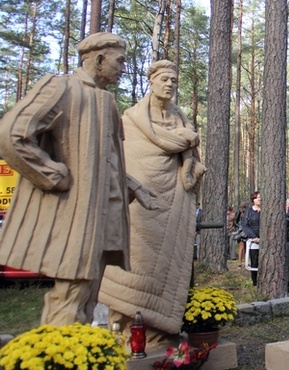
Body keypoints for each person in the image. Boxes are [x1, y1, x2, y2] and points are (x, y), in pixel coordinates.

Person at [0, 32, 157, 326]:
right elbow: (11, 135)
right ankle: (62, 354)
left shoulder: (106, 101)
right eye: (120, 61)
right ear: (98, 59)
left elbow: (106, 160)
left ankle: (81, 351)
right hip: (75, 218)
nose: (124, 68)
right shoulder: (61, 87)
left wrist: (133, 185)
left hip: (104, 217)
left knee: (88, 295)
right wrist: (51, 174)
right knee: (70, 297)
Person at [98, 60, 204, 348]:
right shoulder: (131, 121)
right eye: (164, 79)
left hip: (174, 208)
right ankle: (124, 329)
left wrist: (191, 160)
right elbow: (124, 162)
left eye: (173, 80)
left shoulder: (182, 121)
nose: (169, 84)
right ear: (152, 82)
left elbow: (192, 164)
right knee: (136, 262)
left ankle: (162, 333)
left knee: (165, 266)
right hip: (139, 208)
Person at [241, 191, 261, 286]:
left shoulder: (265, 210)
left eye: (260, 197)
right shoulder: (249, 211)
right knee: (254, 261)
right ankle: (255, 282)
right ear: (253, 200)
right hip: (253, 241)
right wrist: (253, 237)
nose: (259, 199)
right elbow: (244, 225)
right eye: (257, 198)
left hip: (265, 240)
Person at [234, 200, 249, 268]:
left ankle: (246, 262)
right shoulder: (239, 212)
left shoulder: (248, 212)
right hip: (241, 232)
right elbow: (235, 222)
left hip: (247, 231)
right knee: (242, 247)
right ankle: (239, 263)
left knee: (246, 247)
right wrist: (240, 227)